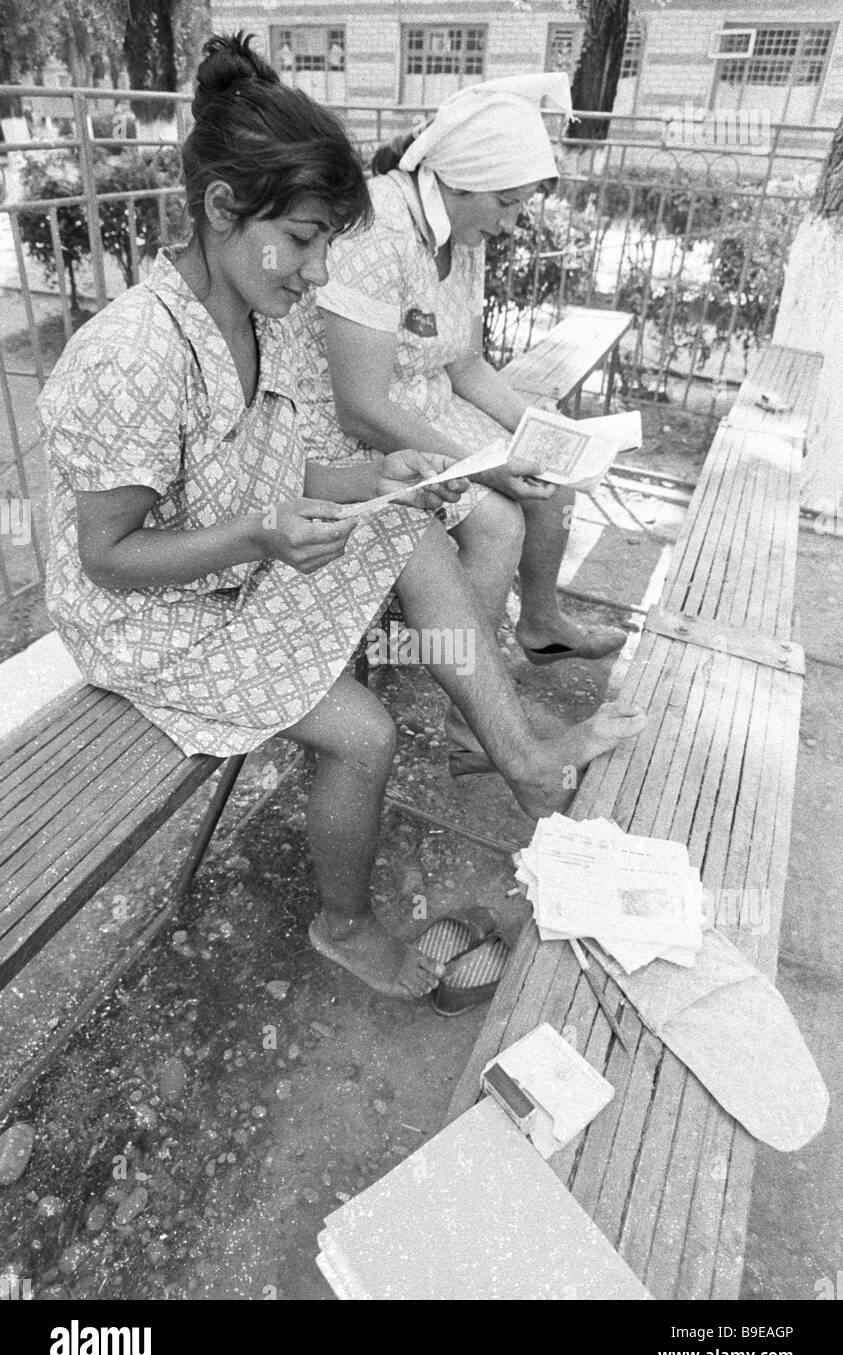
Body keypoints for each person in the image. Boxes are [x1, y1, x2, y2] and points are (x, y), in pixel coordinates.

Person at [39, 34, 646, 1001]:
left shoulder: (254, 313)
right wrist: (260, 536)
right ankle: (344, 926)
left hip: (225, 561)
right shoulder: (133, 355)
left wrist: (372, 476)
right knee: (363, 735)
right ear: (223, 210)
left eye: (330, 242)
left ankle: (522, 757)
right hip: (144, 618)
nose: (320, 271)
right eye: (309, 238)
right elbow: (108, 559)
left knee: (407, 525)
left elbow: (265, 463)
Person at [288, 73, 628, 774]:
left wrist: (539, 425)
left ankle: (539, 626)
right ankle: (470, 716)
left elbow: (465, 363)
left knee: (550, 476)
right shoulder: (378, 230)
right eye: (504, 204)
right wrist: (488, 464)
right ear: (460, 180)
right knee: (499, 518)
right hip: (356, 427)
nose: (509, 223)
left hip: (424, 404)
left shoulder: (457, 229)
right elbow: (360, 404)